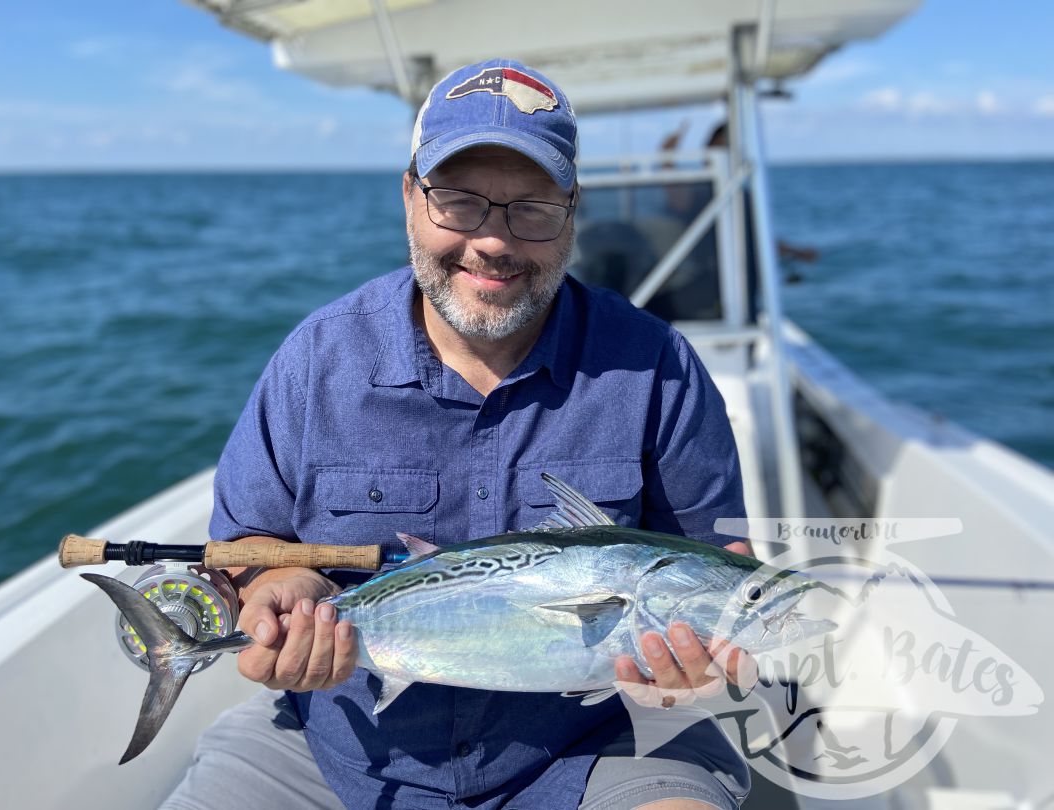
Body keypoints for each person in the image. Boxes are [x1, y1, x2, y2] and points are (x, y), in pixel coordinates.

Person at [161, 59, 754, 810]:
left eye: (532, 206)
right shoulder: (316, 362)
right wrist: (282, 595)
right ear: (411, 197)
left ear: (573, 212)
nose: (494, 242)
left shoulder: (658, 368)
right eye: (460, 202)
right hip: (335, 736)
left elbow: (714, 564)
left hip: (595, 741)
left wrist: (703, 670)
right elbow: (254, 549)